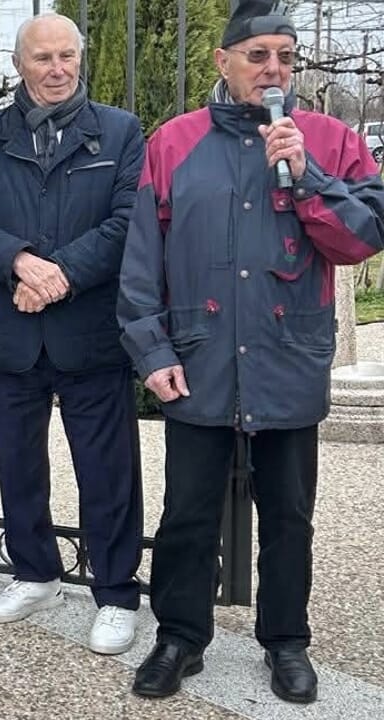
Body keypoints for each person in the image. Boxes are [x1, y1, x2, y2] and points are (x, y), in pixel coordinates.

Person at [120, 1, 384, 703]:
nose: (274, 70)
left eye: (286, 58)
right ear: (224, 61)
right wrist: (151, 353)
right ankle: (179, 636)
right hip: (198, 360)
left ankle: (287, 642)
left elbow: (361, 238)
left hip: (287, 359)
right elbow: (142, 263)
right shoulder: (172, 142)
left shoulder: (328, 138)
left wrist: (308, 177)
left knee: (290, 514)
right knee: (187, 511)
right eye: (259, 55)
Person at [0, 13, 146, 650]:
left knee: (106, 468)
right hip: (12, 331)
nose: (57, 70)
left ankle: (115, 590)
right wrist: (20, 263)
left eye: (66, 56)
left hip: (89, 331)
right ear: (18, 63)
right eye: (42, 59)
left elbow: (129, 220)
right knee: (19, 464)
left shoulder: (119, 131)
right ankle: (35, 571)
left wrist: (62, 275)